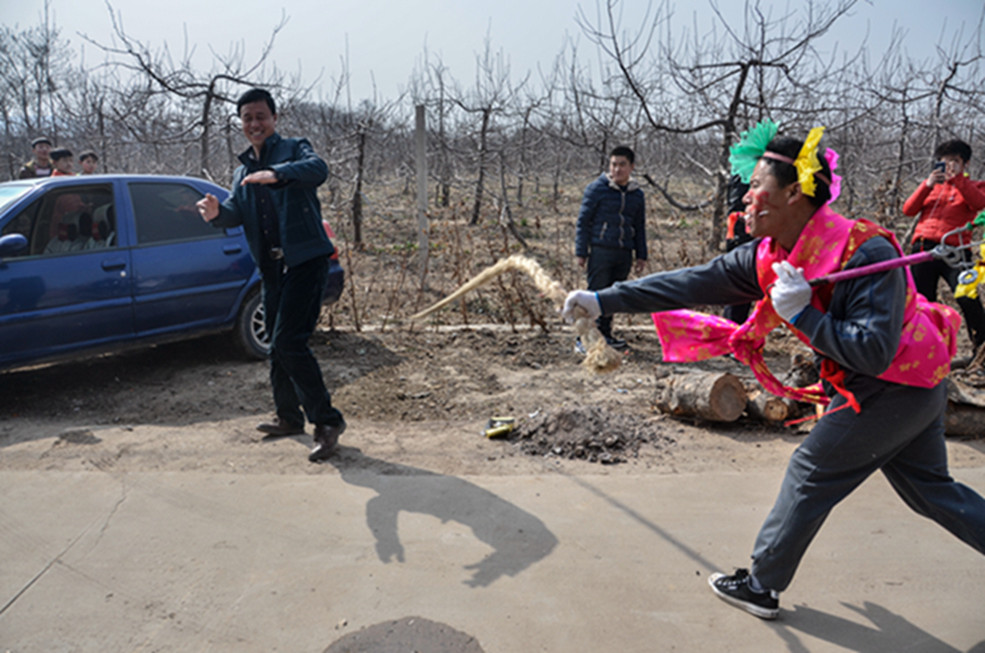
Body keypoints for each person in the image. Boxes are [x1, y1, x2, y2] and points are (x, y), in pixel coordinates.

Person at [563, 121, 985, 620]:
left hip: (892, 387)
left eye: (756, 187)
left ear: (793, 193)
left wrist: (804, 313)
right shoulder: (770, 254)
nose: (745, 198)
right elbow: (694, 282)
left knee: (811, 470)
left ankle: (761, 585)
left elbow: (872, 351)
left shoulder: (865, 251)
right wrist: (601, 299)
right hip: (905, 387)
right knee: (933, 493)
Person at [196, 87, 346, 463]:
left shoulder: (296, 150)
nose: (254, 123)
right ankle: (288, 416)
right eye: (247, 118)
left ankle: (327, 422)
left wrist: (276, 174)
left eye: (261, 116)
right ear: (241, 124)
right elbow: (237, 212)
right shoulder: (240, 172)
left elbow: (319, 170)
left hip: (306, 262)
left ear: (274, 119)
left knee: (288, 341)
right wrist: (217, 213)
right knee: (277, 348)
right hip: (272, 269)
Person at [903, 139, 985, 355]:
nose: (948, 165)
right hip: (924, 247)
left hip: (956, 250)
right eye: (944, 161)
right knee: (922, 301)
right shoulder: (932, 187)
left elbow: (978, 204)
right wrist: (927, 184)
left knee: (967, 298)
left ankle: (982, 351)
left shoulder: (973, 186)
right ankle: (924, 352)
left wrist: (959, 180)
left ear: (964, 164)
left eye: (954, 161)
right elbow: (908, 210)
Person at [574, 145, 647, 351]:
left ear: (631, 167)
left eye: (622, 165)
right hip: (600, 250)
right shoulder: (596, 189)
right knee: (594, 295)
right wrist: (581, 251)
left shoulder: (636, 194)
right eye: (614, 164)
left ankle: (605, 336)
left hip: (624, 252)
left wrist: (641, 255)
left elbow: (639, 226)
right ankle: (584, 340)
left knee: (612, 297)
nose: (617, 170)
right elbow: (583, 222)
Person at [722, 173, 753, 324]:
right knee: (739, 295)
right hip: (743, 244)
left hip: (758, 240)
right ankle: (728, 338)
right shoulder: (743, 173)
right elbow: (735, 211)